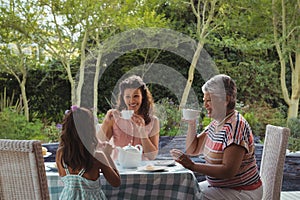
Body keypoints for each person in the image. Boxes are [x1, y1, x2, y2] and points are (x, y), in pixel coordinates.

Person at [170, 74, 263, 200]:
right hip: (220, 188)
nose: (205, 105)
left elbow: (228, 171)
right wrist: (192, 124)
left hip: (241, 191)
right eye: (204, 101)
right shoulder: (217, 123)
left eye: (209, 100)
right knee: (178, 191)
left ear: (226, 99)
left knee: (186, 196)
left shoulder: (235, 127)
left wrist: (192, 166)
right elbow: (193, 149)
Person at [56, 106, 121, 200]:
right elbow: (116, 182)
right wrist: (107, 154)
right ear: (90, 129)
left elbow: (63, 176)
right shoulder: (97, 156)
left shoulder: (60, 153)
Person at [99, 75, 160, 160]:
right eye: (127, 96)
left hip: (143, 169)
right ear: (123, 98)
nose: (131, 101)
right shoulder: (114, 118)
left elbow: (152, 156)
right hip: (119, 168)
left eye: (136, 96)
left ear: (143, 97)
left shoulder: (153, 121)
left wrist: (142, 131)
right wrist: (106, 122)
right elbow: (98, 146)